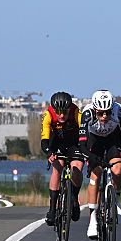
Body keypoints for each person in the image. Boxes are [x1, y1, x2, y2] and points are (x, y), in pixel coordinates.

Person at [79, 89, 121, 239]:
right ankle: (92, 219)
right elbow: (82, 145)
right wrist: (91, 158)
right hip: (94, 140)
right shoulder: (87, 113)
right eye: (100, 113)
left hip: (113, 139)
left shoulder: (120, 111)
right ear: (94, 110)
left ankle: (115, 201)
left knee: (117, 169)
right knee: (95, 176)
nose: (104, 116)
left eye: (108, 113)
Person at [41, 91, 85, 225]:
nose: (61, 115)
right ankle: (52, 209)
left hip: (74, 143)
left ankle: (74, 199)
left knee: (77, 168)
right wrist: (49, 153)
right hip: (57, 143)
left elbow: (85, 133)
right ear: (54, 110)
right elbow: (44, 140)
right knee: (57, 168)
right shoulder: (48, 115)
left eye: (64, 112)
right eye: (58, 112)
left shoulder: (77, 113)